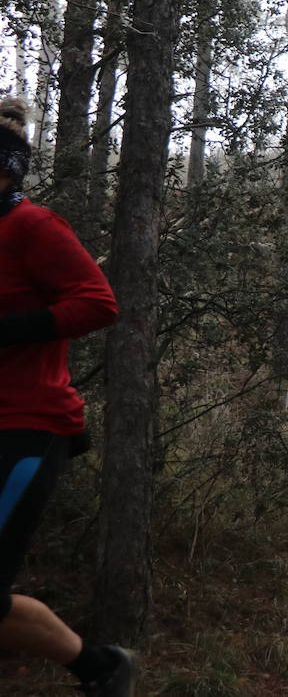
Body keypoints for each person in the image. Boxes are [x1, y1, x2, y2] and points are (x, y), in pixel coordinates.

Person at [0, 98, 134, 695]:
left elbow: (97, 303)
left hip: (26, 427)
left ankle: (101, 667)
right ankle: (100, 669)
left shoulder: (32, 225)